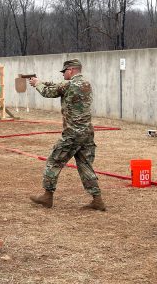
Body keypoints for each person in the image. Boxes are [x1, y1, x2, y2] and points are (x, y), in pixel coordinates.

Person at [28, 59, 106, 211]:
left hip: (72, 134)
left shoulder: (68, 85)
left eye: (64, 72)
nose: (63, 75)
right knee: (85, 165)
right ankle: (97, 199)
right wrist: (41, 81)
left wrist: (37, 84)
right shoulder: (85, 84)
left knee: (53, 161)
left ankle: (47, 196)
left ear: (70, 70)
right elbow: (58, 86)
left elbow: (48, 92)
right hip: (87, 133)